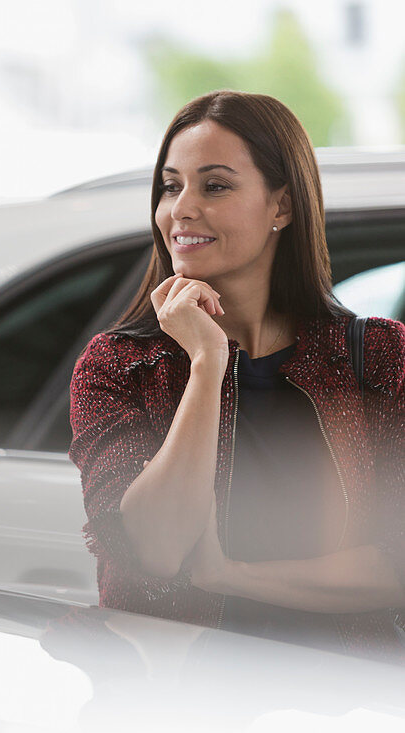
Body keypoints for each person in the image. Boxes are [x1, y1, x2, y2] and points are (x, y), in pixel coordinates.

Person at [68, 90, 405, 661]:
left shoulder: (377, 356)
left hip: (350, 697)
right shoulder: (118, 365)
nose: (182, 209)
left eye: (215, 186)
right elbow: (156, 548)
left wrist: (233, 575)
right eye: (171, 186)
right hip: (174, 701)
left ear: (283, 206)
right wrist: (206, 363)